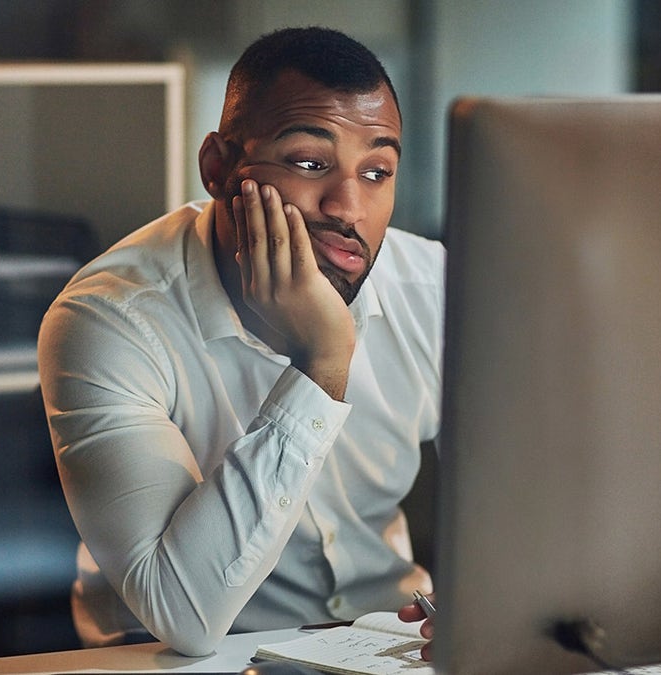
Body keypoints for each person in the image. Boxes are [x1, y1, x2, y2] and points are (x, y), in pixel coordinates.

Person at [37, 26, 444, 658]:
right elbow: (184, 615)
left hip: (383, 644)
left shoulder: (432, 288)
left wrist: (498, 600)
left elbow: (538, 488)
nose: (348, 206)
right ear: (218, 168)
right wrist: (323, 362)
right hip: (168, 658)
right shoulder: (108, 318)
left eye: (377, 171)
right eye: (310, 163)